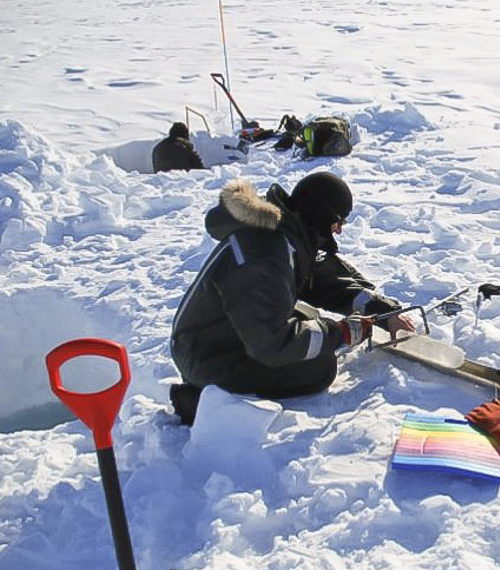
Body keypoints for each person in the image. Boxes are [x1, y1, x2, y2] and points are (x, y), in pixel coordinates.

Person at [169, 172, 414, 424]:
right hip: (205, 353)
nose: (339, 230)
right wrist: (340, 333)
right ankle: (202, 399)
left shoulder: (287, 234)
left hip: (220, 335)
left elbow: (326, 282)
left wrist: (382, 311)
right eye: (338, 221)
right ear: (322, 214)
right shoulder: (264, 253)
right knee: (318, 367)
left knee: (309, 319)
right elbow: (273, 343)